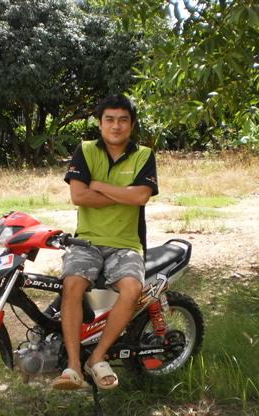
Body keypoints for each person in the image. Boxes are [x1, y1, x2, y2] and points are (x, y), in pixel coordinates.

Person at [52, 94, 158, 391]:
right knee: (72, 285)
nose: (116, 125)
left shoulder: (144, 155)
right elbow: (79, 196)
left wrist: (98, 185)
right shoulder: (85, 150)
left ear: (131, 125)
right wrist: (123, 193)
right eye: (109, 119)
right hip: (87, 241)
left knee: (132, 289)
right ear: (100, 123)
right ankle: (74, 365)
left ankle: (97, 358)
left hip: (126, 243)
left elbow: (141, 196)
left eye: (123, 120)